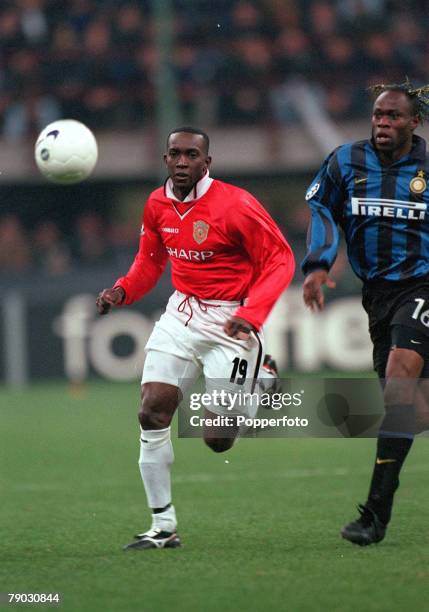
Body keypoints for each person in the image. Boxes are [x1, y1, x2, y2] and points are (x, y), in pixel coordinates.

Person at [97, 127, 295, 550]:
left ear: (208, 161)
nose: (182, 162)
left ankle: (263, 377)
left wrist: (251, 314)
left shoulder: (236, 205)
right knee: (152, 411)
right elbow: (149, 262)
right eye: (175, 154)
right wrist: (121, 290)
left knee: (217, 439)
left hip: (231, 322)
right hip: (182, 314)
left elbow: (280, 259)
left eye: (192, 155)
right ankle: (163, 527)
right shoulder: (156, 203)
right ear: (165, 159)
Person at [302, 80, 429, 546]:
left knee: (401, 374)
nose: (383, 124)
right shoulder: (344, 161)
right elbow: (321, 208)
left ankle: (375, 514)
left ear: (414, 122)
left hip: (424, 285)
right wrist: (317, 265)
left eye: (394, 117)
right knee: (408, 408)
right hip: (377, 295)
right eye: (378, 115)